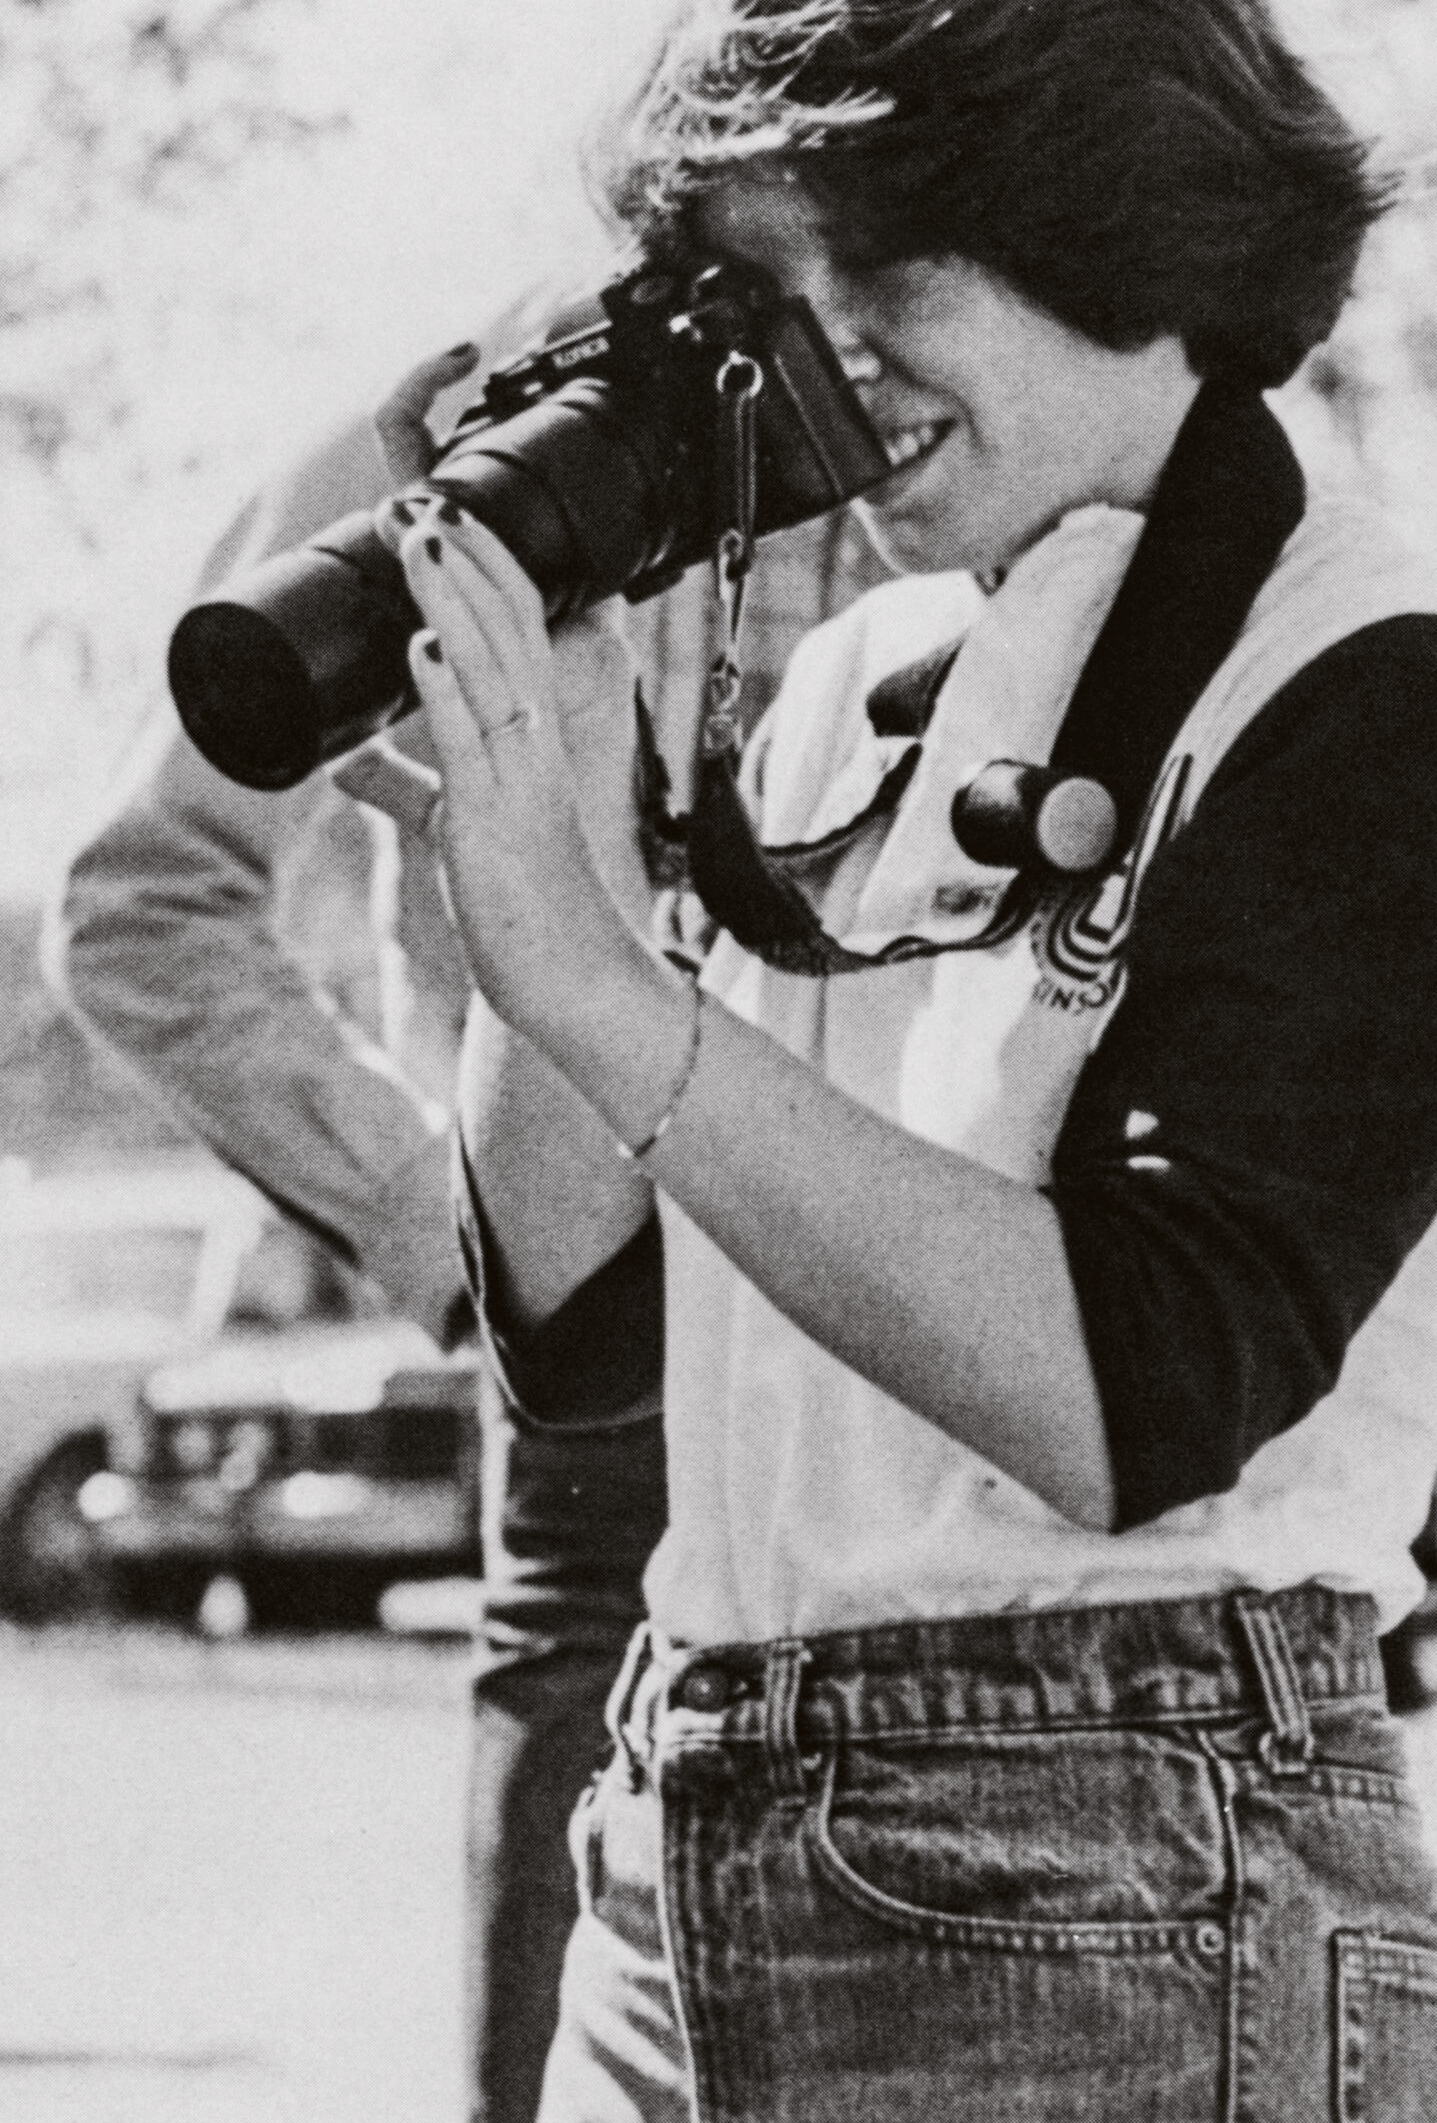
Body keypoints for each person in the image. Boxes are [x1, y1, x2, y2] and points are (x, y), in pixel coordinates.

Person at [374, 0, 1437, 2121]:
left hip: (1131, 1853)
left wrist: (616, 997)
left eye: (881, 282)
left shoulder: (1392, 689)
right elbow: (593, 1334)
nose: (828, 373)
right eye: (771, 308)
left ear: (1106, 208)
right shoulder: (873, 679)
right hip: (693, 1832)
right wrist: (548, 829)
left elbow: (1126, 1395)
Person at [42, 343, 874, 2122]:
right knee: (566, 2039)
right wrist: (442, 1232)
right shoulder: (456, 440)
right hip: (597, 1381)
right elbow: (143, 904)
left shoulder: (966, 390)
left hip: (922, 1339)